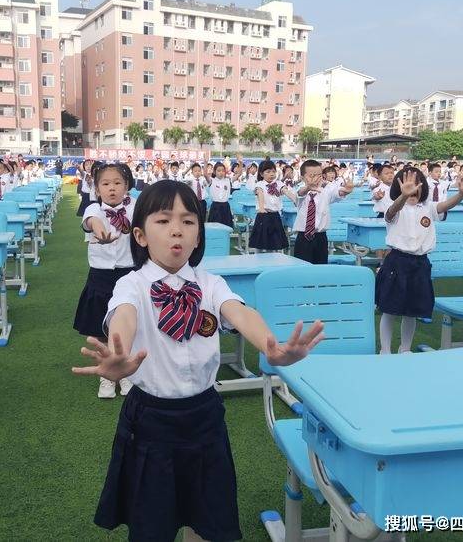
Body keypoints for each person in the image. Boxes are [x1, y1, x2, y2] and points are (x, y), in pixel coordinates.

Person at [72, 180, 324, 542]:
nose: (177, 229)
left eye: (189, 221)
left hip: (205, 414)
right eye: (163, 221)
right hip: (150, 419)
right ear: (140, 236)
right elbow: (123, 316)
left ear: (198, 235)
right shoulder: (132, 285)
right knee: (152, 523)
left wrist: (270, 346)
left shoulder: (211, 284)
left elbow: (239, 312)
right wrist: (121, 352)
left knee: (206, 517)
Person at [377, 168, 463, 354]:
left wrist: (461, 194)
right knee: (389, 309)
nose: (413, 190)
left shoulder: (428, 208)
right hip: (396, 262)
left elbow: (445, 206)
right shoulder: (395, 207)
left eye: (417, 186)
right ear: (399, 188)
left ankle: (405, 348)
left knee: (412, 311)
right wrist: (403, 197)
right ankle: (385, 349)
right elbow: (391, 212)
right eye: (408, 186)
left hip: (420, 264)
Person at [73, 163, 137, 399]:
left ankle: (127, 372)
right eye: (106, 184)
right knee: (100, 328)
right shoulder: (94, 209)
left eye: (117, 183)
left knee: (129, 325)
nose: (112, 188)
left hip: (129, 274)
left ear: (127, 186)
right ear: (97, 189)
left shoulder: (135, 209)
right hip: (100, 276)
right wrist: (99, 230)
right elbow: (91, 221)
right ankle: (106, 375)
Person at [292, 159, 354, 264]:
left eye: (319, 175)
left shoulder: (326, 190)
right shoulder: (301, 190)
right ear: (302, 177)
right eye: (312, 176)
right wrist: (308, 187)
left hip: (320, 236)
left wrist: (346, 190)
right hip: (303, 237)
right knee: (302, 268)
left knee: (320, 266)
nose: (316, 178)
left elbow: (337, 193)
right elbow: (299, 194)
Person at [249, 160, 296, 252]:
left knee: (273, 244)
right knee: (260, 244)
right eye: (268, 172)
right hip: (263, 216)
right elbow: (260, 193)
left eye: (273, 171)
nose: (272, 174)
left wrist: (295, 199)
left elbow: (285, 191)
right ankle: (257, 260)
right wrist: (261, 208)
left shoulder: (278, 184)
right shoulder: (260, 184)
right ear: (262, 174)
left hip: (275, 216)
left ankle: (272, 261)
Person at [207, 162, 233, 228]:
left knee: (226, 226)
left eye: (223, 170)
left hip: (225, 206)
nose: (221, 172)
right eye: (218, 171)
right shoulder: (212, 180)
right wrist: (205, 162)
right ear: (214, 172)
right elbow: (205, 174)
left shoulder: (228, 180)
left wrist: (240, 163)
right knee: (214, 226)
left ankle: (225, 238)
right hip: (215, 206)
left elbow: (239, 174)